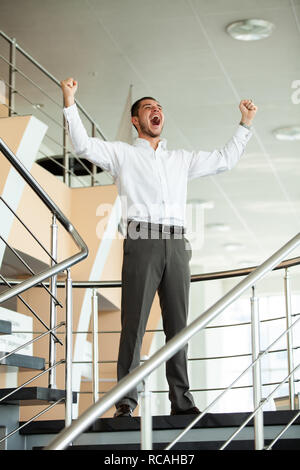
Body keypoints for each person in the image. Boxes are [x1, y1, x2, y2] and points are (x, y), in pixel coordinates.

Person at [61, 78, 257, 417]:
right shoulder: (122, 154)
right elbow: (81, 145)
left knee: (179, 326)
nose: (157, 111)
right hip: (142, 239)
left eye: (160, 108)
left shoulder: (179, 159)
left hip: (178, 243)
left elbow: (224, 160)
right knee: (134, 325)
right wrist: (69, 102)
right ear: (136, 121)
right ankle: (125, 401)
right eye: (149, 108)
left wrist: (245, 125)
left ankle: (182, 402)